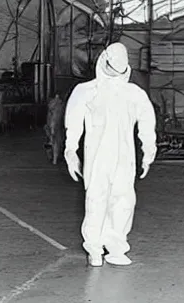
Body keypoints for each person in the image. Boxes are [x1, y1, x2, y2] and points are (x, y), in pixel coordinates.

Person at [64, 42, 157, 267]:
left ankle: (116, 247)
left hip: (124, 157)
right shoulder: (86, 91)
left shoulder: (134, 94)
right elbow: (73, 123)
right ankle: (94, 248)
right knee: (96, 200)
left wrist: (148, 151)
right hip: (97, 157)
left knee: (124, 201)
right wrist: (71, 151)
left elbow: (147, 123)